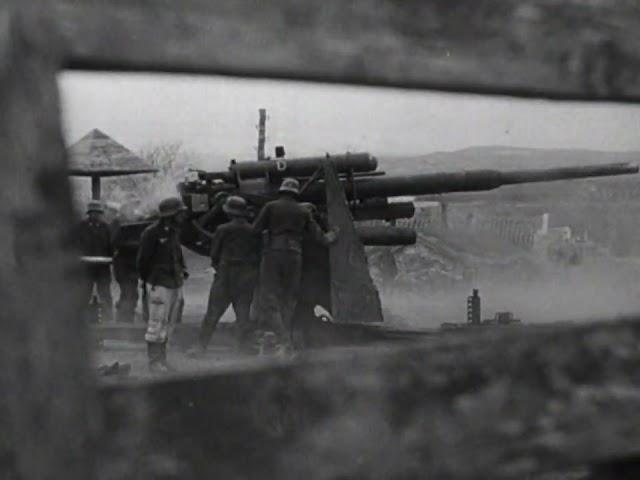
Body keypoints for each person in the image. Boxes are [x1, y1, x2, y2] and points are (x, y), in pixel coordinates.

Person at [252, 178, 337, 353]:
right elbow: (321, 238)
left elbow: (255, 231)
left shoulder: (270, 207)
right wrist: (334, 233)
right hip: (294, 256)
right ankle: (286, 337)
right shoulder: (303, 211)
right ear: (296, 193)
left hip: (273, 254)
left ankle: (282, 339)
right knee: (289, 298)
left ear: (282, 191)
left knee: (269, 297)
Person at [189, 195, 261, 356]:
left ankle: (201, 348)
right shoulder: (253, 230)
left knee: (213, 313)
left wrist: (219, 267)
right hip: (246, 276)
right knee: (243, 314)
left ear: (229, 212)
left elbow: (214, 254)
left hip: (226, 274)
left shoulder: (222, 229)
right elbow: (258, 254)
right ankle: (241, 349)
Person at [136, 197, 189, 373]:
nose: (183, 216)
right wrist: (147, 280)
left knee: (168, 324)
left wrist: (182, 269)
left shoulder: (174, 232)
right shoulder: (151, 233)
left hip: (174, 281)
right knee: (156, 323)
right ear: (171, 215)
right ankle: (154, 361)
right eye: (179, 213)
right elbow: (143, 260)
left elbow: (177, 253)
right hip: (159, 283)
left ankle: (163, 359)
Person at [75, 200, 114, 322]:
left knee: (105, 294)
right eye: (93, 213)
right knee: (84, 294)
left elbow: (110, 245)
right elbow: (76, 244)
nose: (96, 215)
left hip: (102, 267)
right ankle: (79, 320)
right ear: (89, 213)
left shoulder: (106, 228)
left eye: (98, 213)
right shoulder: (81, 227)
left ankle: (109, 319)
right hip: (86, 268)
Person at [111, 212, 139, 323]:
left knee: (129, 294)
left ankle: (125, 318)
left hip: (129, 270)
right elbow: (115, 243)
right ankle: (124, 318)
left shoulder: (125, 229)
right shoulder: (121, 229)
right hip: (125, 270)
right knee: (129, 294)